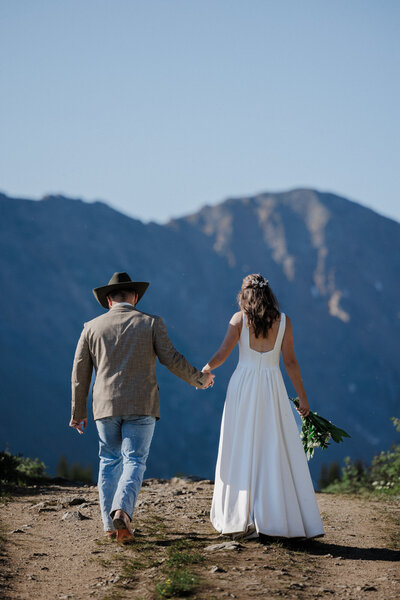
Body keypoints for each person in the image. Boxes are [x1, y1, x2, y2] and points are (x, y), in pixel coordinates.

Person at [70, 272, 214, 542]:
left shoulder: (91, 327)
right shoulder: (150, 323)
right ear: (134, 298)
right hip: (142, 405)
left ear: (109, 300)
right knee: (134, 460)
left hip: (104, 406)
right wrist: (200, 379)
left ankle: (109, 526)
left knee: (109, 461)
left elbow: (80, 374)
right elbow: (171, 359)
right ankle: (122, 512)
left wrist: (78, 413)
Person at [204, 273, 324, 539]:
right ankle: (275, 516)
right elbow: (291, 363)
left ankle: (240, 514)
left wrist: (205, 370)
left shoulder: (238, 320)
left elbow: (223, 353)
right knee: (273, 446)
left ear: (244, 294)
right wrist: (303, 398)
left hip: (243, 387)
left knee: (241, 445)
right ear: (269, 294)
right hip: (272, 387)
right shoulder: (284, 322)